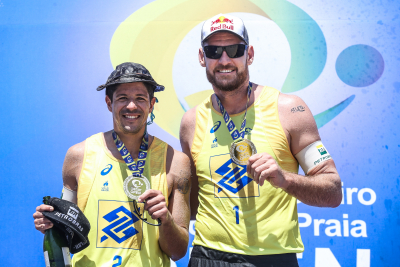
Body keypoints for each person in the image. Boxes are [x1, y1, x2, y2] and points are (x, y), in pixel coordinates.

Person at [179, 14, 342, 267]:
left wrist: (285, 179)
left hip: (272, 259)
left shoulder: (289, 110)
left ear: (250, 54)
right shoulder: (191, 122)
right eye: (214, 50)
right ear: (202, 58)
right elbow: (190, 202)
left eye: (234, 49)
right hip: (207, 256)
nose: (224, 60)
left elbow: (332, 192)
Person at [33, 62, 191, 266]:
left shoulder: (176, 162)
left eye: (140, 98)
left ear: (152, 104)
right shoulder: (78, 156)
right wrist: (50, 222)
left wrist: (166, 220)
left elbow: (178, 252)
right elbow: (66, 232)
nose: (131, 106)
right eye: (123, 98)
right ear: (109, 103)